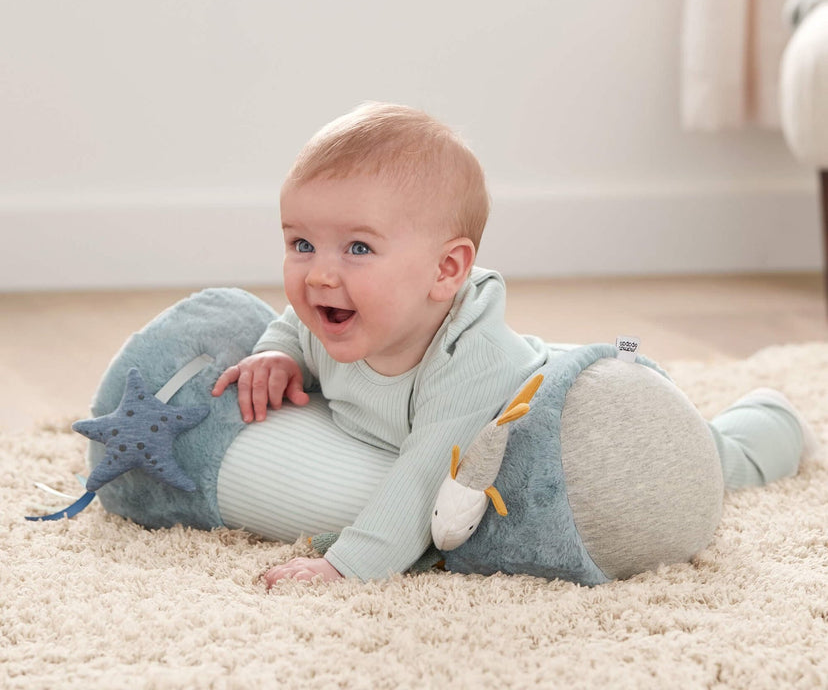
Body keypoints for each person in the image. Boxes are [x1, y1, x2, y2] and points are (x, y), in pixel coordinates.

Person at [212, 102, 818, 585]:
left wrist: (346, 565)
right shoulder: (331, 308)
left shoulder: (467, 363)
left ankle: (777, 420)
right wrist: (278, 353)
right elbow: (294, 321)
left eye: (359, 248)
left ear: (446, 271)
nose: (318, 274)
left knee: (713, 458)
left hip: (563, 425)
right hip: (528, 361)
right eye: (301, 244)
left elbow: (428, 473)